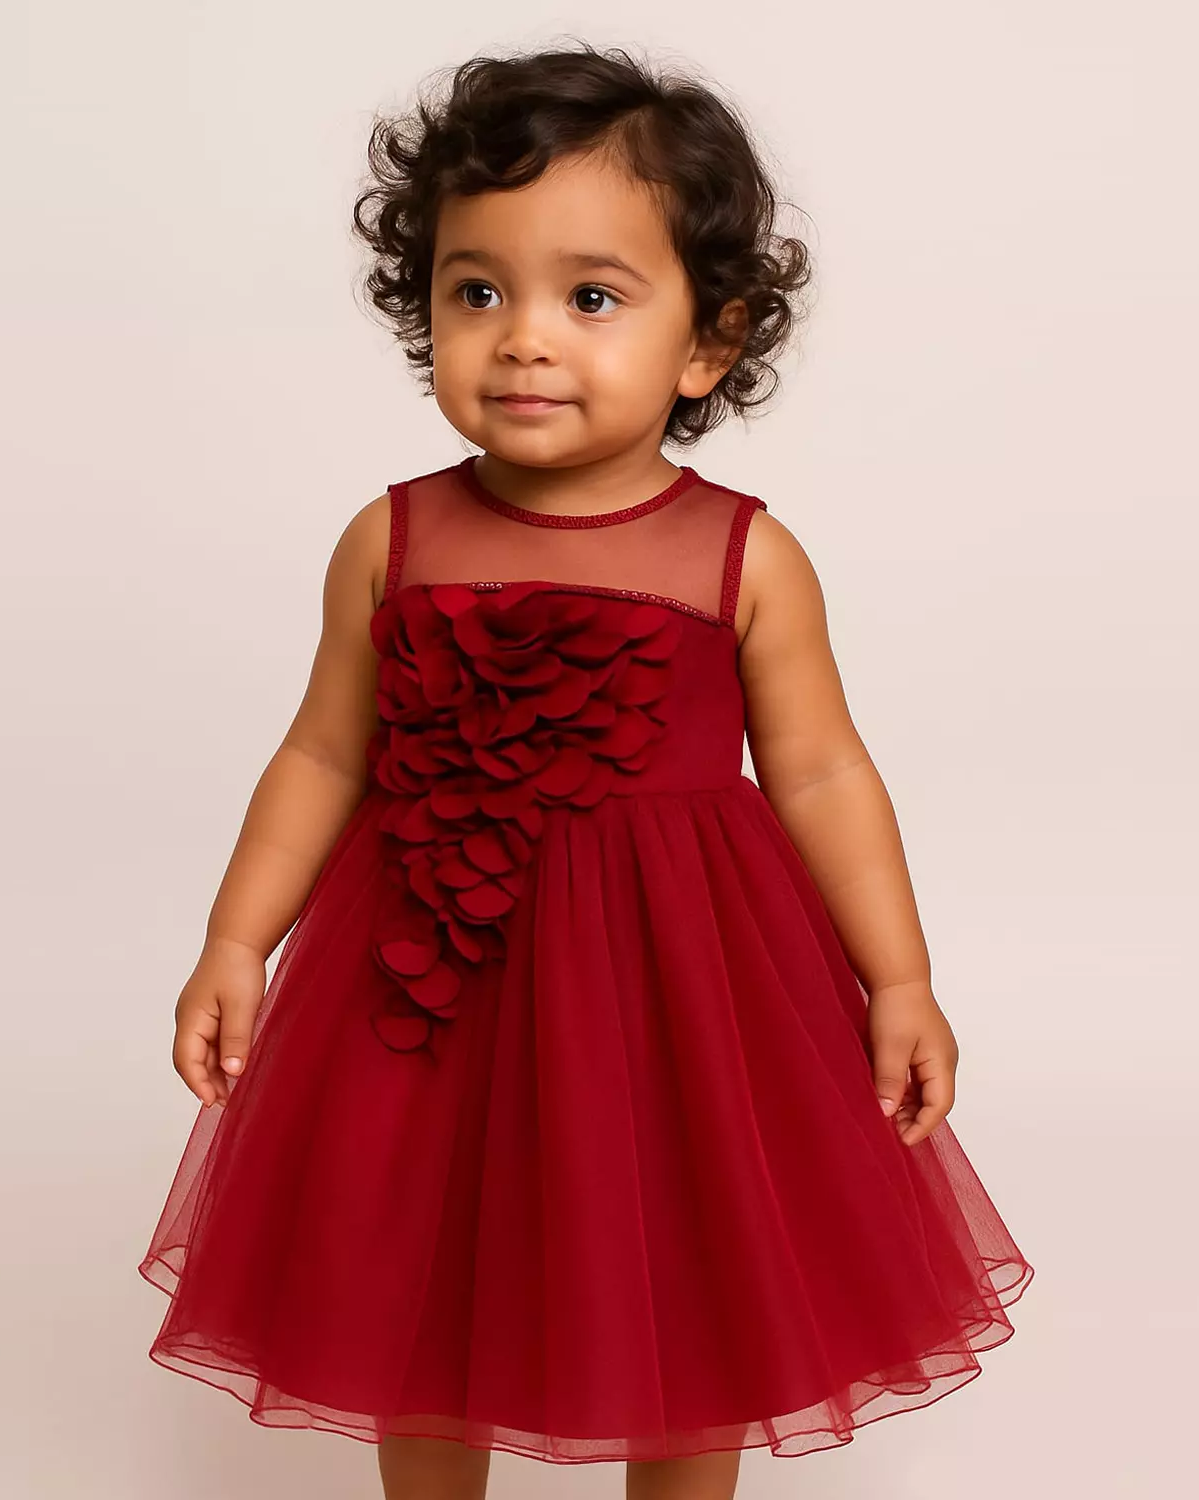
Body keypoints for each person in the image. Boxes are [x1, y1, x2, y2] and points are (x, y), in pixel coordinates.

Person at [138, 42, 1034, 1500]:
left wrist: (900, 978)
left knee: (691, 1256)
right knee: (409, 1254)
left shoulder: (744, 556)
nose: (523, 340)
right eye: (475, 291)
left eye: (591, 298)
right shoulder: (391, 540)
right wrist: (237, 940)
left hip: (675, 988)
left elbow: (820, 775)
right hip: (427, 974)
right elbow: (322, 750)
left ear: (708, 344)